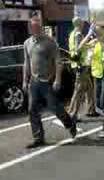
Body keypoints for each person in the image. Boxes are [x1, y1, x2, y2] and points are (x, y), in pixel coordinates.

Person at [23, 14, 77, 148]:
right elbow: (26, 63)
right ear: (30, 28)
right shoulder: (27, 43)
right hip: (34, 82)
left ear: (41, 27)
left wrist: (57, 80)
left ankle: (70, 124)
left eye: (37, 27)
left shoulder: (50, 42)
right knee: (32, 110)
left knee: (55, 108)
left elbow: (58, 62)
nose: (35, 29)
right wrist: (25, 80)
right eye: (32, 27)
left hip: (47, 81)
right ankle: (38, 138)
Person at [67, 17, 98, 121]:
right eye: (82, 23)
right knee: (78, 91)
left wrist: (91, 43)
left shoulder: (73, 33)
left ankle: (91, 110)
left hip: (78, 64)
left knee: (89, 88)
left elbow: (82, 46)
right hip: (80, 65)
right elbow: (79, 48)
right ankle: (72, 114)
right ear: (79, 24)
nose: (83, 24)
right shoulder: (78, 34)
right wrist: (90, 35)